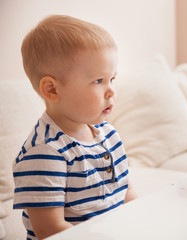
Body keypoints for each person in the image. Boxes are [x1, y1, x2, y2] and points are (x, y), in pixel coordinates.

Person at [12, 15, 137, 240]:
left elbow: (127, 192)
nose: (111, 91)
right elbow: (50, 231)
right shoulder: (45, 152)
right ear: (52, 90)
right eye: (99, 80)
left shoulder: (109, 135)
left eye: (112, 79)